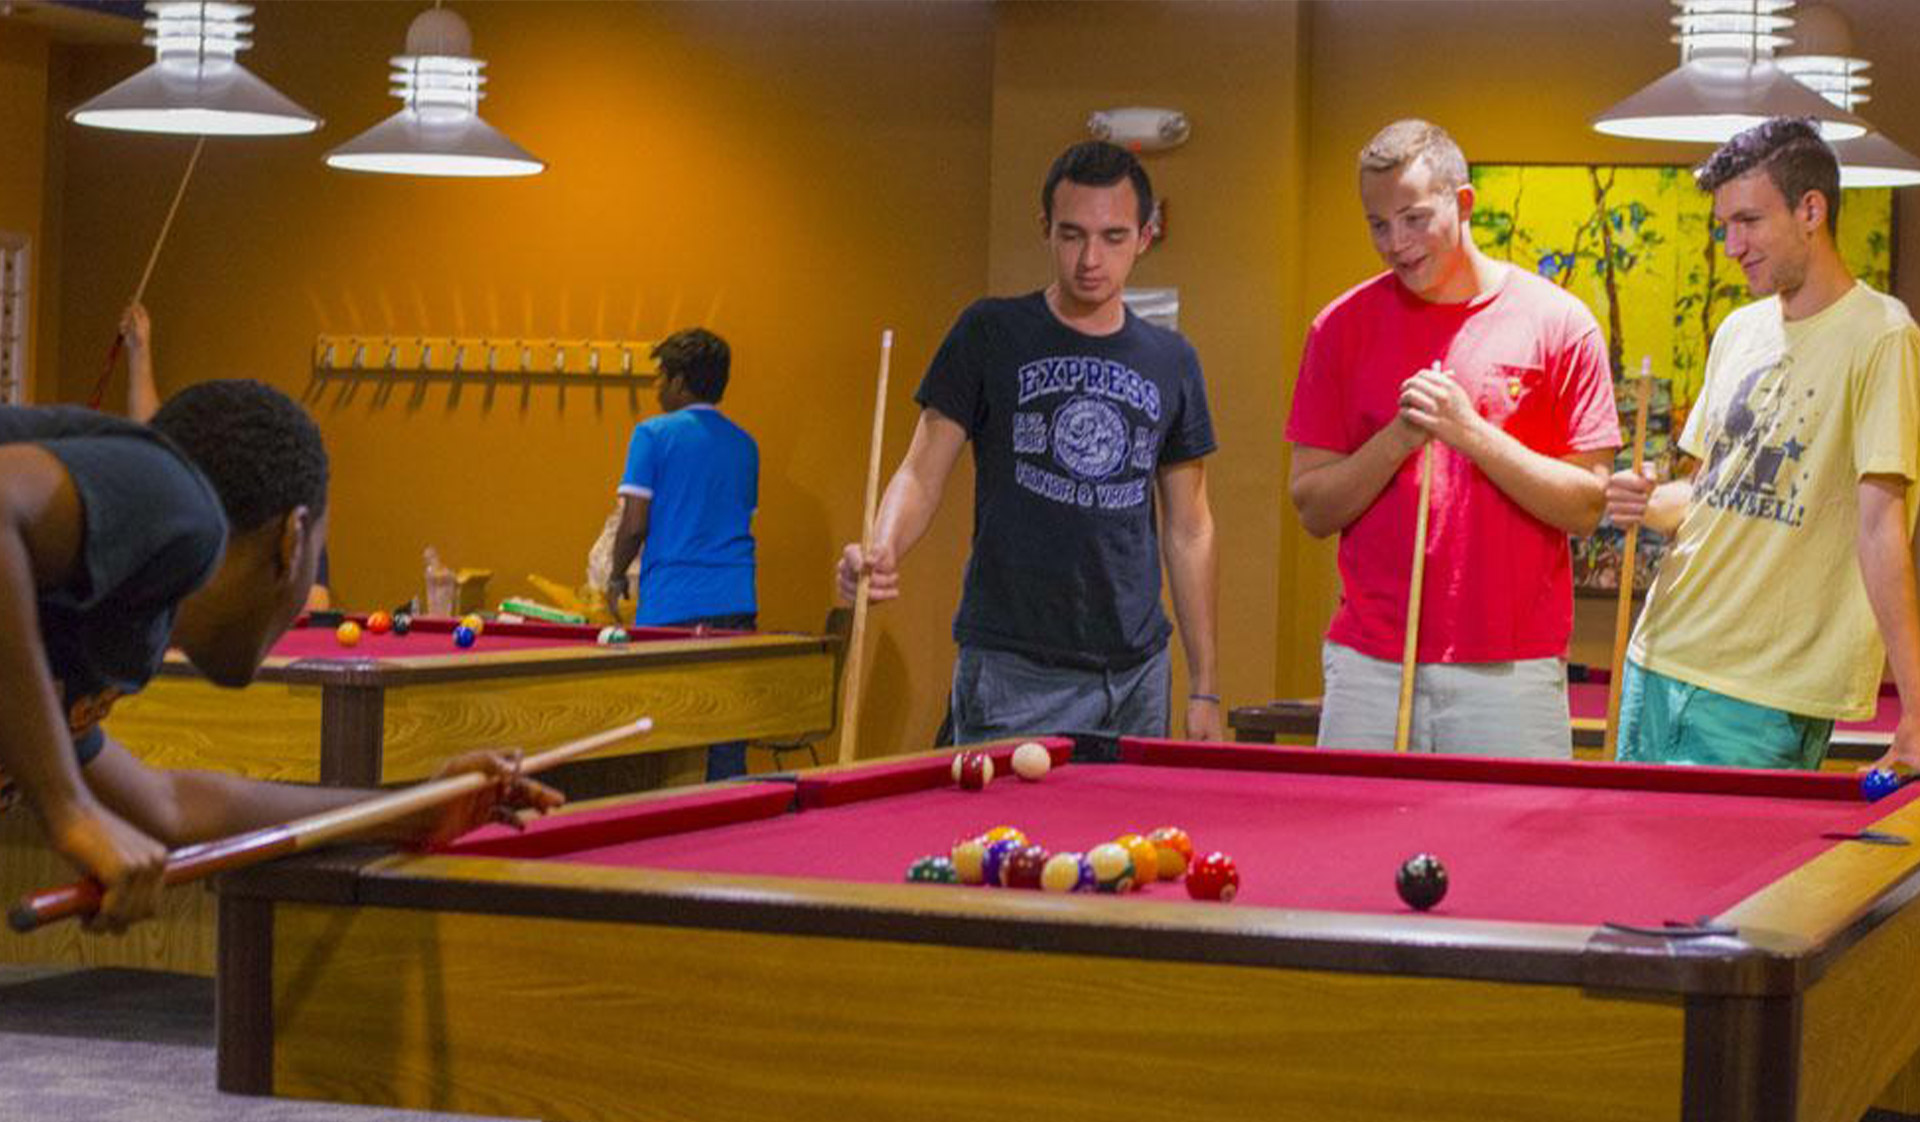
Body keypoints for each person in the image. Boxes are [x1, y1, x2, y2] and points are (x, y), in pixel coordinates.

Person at [0, 381, 560, 933]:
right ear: (294, 538)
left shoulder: (104, 631)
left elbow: (166, 807)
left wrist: (418, 812)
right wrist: (70, 811)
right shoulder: (179, 495)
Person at [835, 140, 1221, 744]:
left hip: (1137, 673)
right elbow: (921, 472)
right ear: (1045, 228)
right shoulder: (990, 331)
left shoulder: (1171, 359)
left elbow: (1190, 528)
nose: (1090, 258)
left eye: (1113, 237)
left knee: (1130, 815)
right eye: (1071, 235)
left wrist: (1204, 687)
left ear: (1145, 237)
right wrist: (882, 549)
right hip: (1014, 668)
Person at [1286, 119, 1621, 758]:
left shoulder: (1559, 323)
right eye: (1378, 225)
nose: (1397, 243)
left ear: (1463, 203)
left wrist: (1469, 433)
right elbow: (1313, 509)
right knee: (1351, 827)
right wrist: (1397, 438)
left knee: (1518, 830)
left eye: (1414, 219)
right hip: (1371, 664)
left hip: (1512, 670)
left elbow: (1585, 506)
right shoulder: (1339, 328)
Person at [1605, 116, 1920, 772]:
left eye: (1748, 221)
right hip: (1657, 656)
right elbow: (1709, 493)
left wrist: (1916, 708)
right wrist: (1646, 500)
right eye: (1724, 225)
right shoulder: (1738, 331)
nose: (1731, 245)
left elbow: (1881, 528)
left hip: (1759, 690)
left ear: (1811, 211)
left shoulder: (1882, 335)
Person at [606, 327, 758, 780]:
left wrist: (615, 576)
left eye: (660, 377)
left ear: (678, 381)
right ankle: (729, 818)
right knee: (726, 735)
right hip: (736, 602)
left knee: (664, 738)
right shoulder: (746, 445)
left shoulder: (651, 435)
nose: (656, 387)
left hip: (672, 604)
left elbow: (634, 524)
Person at [121, 302, 331, 610]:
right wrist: (139, 354)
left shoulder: (286, 503)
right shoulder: (186, 511)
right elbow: (156, 452)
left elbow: (315, 601)